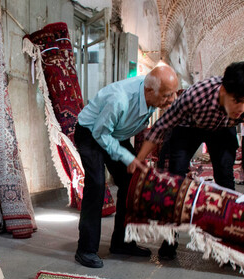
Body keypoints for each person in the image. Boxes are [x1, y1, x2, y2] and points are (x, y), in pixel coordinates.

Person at [134, 61, 244, 260]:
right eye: (237, 100)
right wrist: (138, 160)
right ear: (223, 90)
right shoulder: (196, 96)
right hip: (188, 127)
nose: (242, 107)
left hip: (223, 130)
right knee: (175, 179)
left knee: (226, 182)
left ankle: (225, 241)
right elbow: (161, 126)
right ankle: (170, 237)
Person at [74, 65, 179, 268]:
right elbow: (100, 134)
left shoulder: (153, 90)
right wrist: (128, 158)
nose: (172, 100)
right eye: (168, 96)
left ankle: (122, 242)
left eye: (174, 94)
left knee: (132, 182)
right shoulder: (120, 99)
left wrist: (136, 159)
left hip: (115, 134)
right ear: (149, 91)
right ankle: (85, 249)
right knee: (96, 184)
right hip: (91, 133)